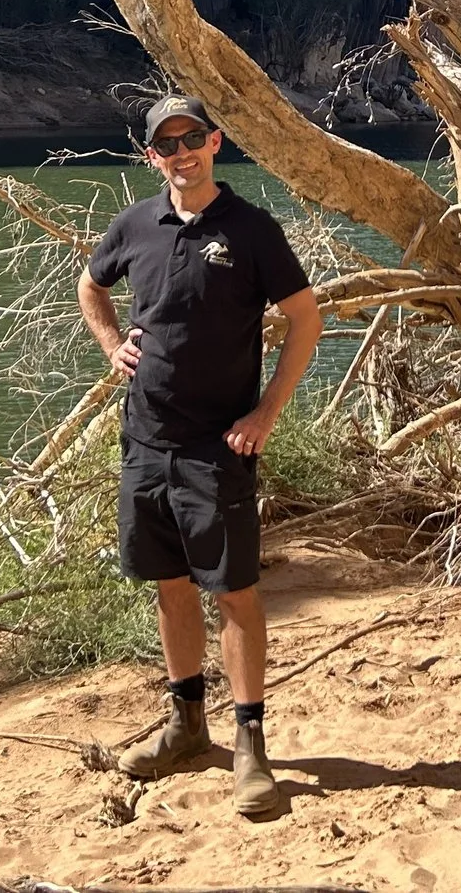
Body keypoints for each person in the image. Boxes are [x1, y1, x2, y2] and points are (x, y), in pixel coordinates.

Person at [77, 92, 323, 819]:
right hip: (146, 440)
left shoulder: (250, 229)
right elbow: (91, 286)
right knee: (170, 583)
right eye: (166, 143)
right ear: (151, 155)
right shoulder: (135, 224)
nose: (181, 153)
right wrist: (109, 343)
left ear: (215, 142)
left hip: (219, 445)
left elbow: (304, 319)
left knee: (234, 591)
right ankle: (186, 724)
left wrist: (265, 412)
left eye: (192, 139)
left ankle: (251, 746)